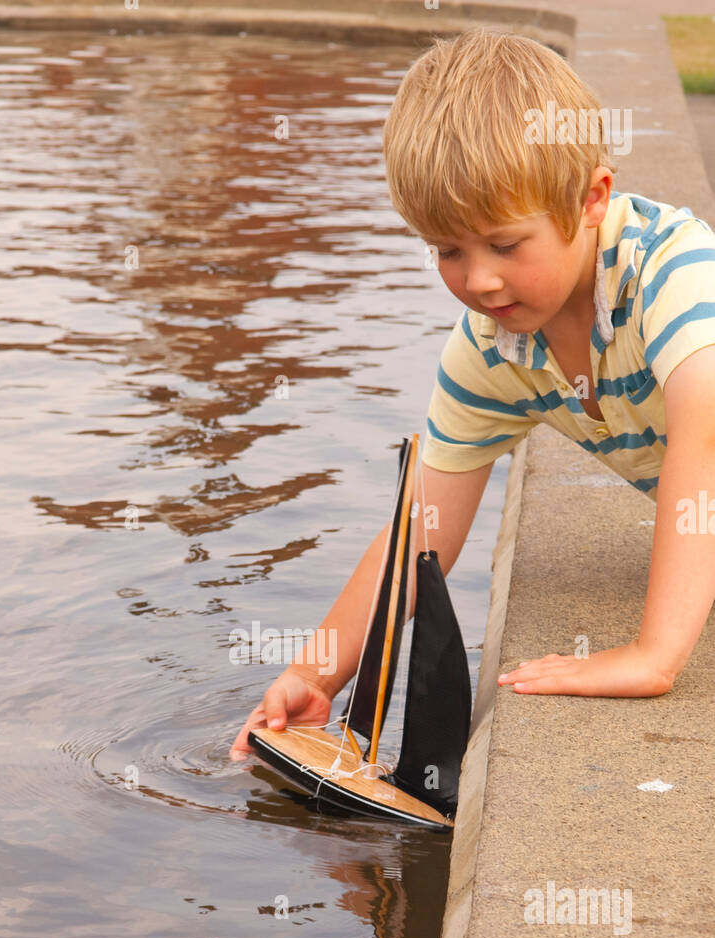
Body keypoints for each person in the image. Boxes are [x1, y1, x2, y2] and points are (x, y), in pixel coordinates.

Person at [229, 29, 715, 761]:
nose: (477, 281)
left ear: (591, 197)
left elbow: (703, 442)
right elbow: (418, 529)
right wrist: (313, 672)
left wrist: (651, 657)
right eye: (447, 250)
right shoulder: (496, 346)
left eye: (504, 245)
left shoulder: (672, 275)